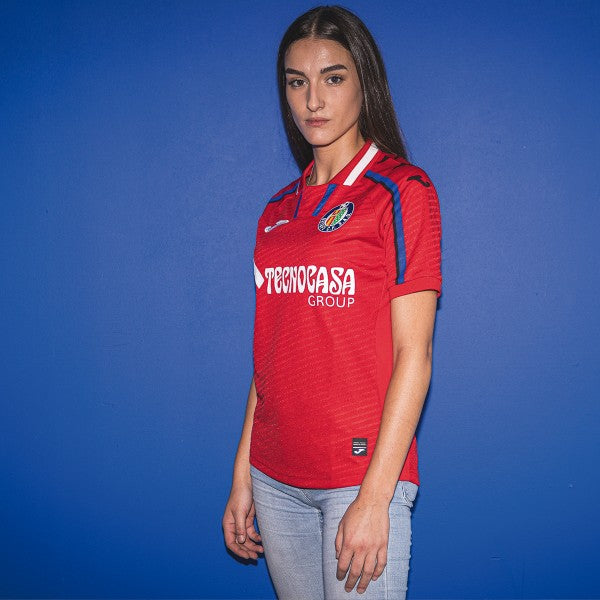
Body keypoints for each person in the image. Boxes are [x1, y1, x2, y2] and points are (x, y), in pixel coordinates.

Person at [222, 5, 442, 599]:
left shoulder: (401, 192)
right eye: (297, 82)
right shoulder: (276, 213)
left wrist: (375, 498)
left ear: (364, 81)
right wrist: (242, 475)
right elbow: (269, 357)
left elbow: (415, 356)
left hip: (358, 479)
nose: (313, 100)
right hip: (274, 478)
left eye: (333, 78)